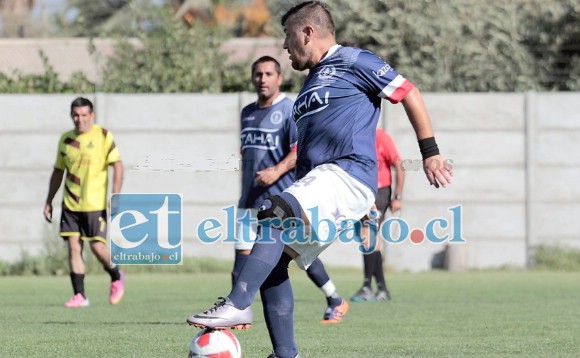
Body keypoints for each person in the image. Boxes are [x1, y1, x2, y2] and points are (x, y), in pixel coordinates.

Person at [187, 2, 453, 357]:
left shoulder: (356, 60)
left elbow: (408, 92)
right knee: (274, 264)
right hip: (329, 186)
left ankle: (237, 302)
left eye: (287, 36)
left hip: (347, 172)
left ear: (306, 32)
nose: (284, 46)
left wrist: (430, 151)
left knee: (273, 212)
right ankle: (286, 353)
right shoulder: (310, 84)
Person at [234, 55, 348, 323]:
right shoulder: (247, 112)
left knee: (297, 255)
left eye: (268, 74)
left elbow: (299, 151)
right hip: (249, 199)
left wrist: (275, 170)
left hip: (280, 200)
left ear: (279, 78)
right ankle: (239, 314)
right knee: (241, 258)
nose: (262, 79)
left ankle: (335, 298)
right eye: (258, 74)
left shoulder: (289, 109)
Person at [43, 97, 125, 308]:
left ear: (92, 116)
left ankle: (116, 276)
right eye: (75, 115)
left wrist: (115, 196)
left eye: (83, 115)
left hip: (94, 204)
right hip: (71, 203)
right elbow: (58, 171)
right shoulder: (66, 140)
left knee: (97, 248)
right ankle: (80, 295)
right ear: (71, 116)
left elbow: (118, 166)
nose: (79, 119)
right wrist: (49, 200)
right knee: (73, 246)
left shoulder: (103, 136)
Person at [350, 127, 405, 302]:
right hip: (361, 192)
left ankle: (367, 286)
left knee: (367, 237)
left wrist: (397, 196)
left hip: (380, 192)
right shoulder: (353, 135)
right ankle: (381, 288)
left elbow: (399, 165)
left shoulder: (380, 136)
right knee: (371, 242)